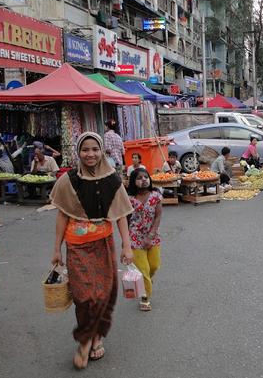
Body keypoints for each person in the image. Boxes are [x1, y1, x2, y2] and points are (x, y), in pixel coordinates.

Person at [50, 132, 134, 370]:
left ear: (102, 151)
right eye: (85, 150)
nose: (90, 154)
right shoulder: (68, 180)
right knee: (83, 296)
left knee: (102, 294)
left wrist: (127, 246)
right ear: (78, 152)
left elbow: (120, 215)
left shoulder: (112, 180)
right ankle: (87, 340)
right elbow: (62, 215)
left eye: (95, 149)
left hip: (103, 244)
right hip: (76, 246)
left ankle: (92, 338)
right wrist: (56, 249)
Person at [127, 168, 162, 312]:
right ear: (134, 182)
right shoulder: (129, 199)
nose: (144, 180)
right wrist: (125, 241)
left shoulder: (156, 195)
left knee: (154, 266)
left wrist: (151, 235)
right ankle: (145, 297)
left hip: (153, 236)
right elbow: (126, 218)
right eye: (140, 178)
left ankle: (147, 280)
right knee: (142, 270)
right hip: (135, 237)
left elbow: (158, 216)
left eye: (146, 177)